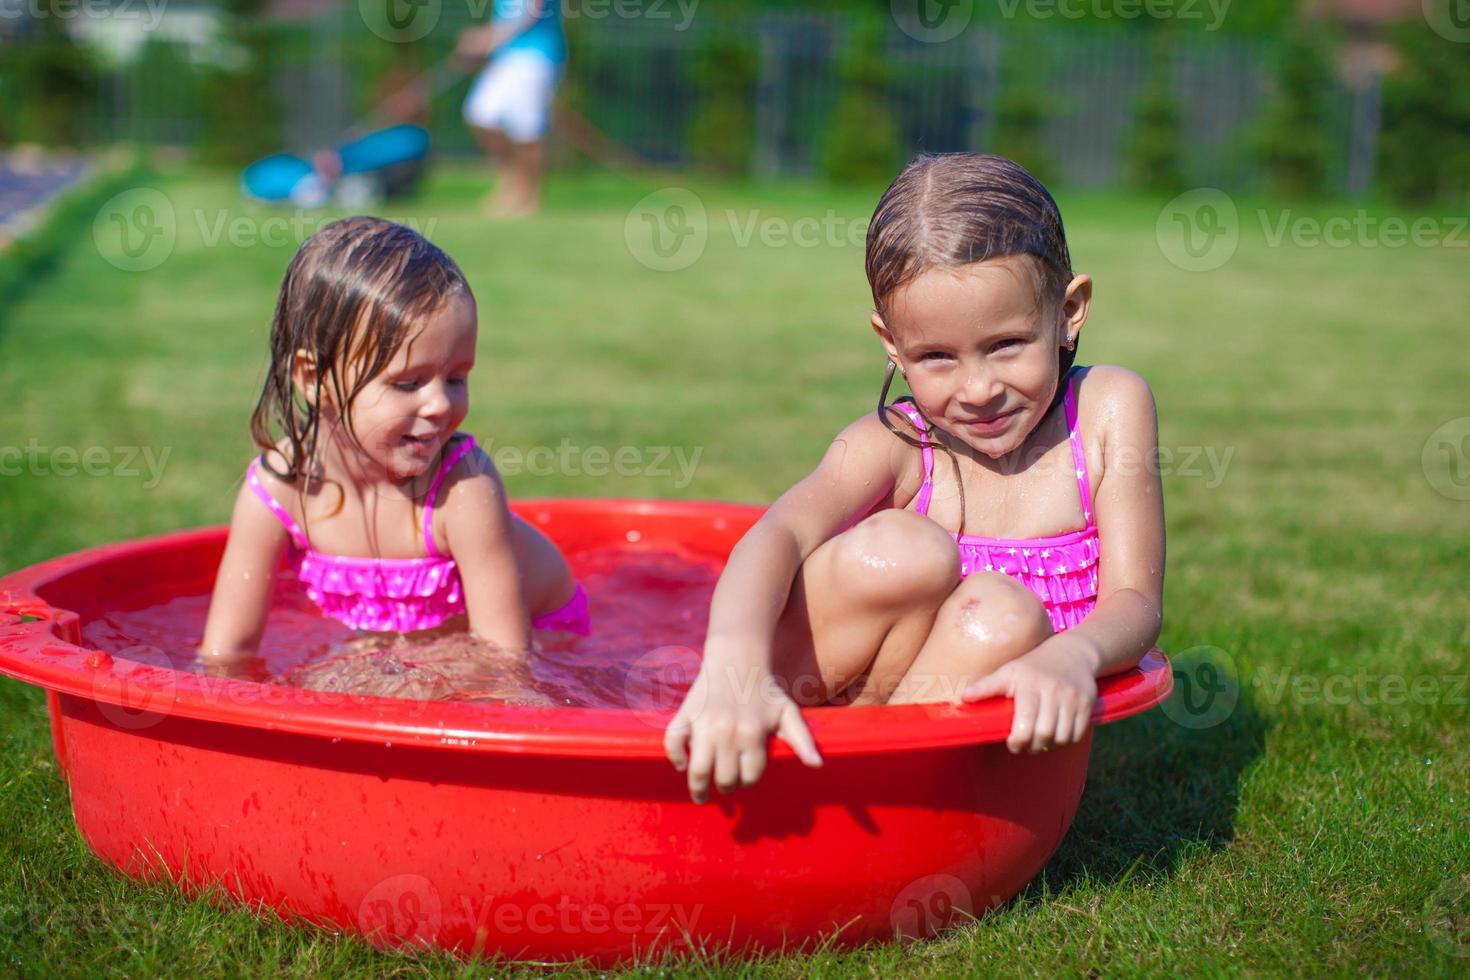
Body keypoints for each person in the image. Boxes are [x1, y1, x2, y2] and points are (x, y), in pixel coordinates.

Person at [663, 153, 1165, 803]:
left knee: (1003, 617)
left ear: (1069, 311)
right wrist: (733, 664)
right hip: (825, 697)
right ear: (891, 345)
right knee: (903, 551)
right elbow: (777, 535)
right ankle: (753, 737)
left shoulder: (1106, 410)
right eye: (936, 357)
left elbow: (1136, 602)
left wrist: (1074, 655)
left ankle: (864, 797)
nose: (980, 389)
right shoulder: (899, 445)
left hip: (948, 747)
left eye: (1008, 344)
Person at [198, 216, 588, 678]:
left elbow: (506, 669)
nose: (441, 403)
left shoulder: (462, 489)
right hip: (413, 641)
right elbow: (225, 654)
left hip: (545, 639)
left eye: (457, 377)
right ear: (313, 379)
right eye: (408, 382)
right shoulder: (279, 488)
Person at [456, 0, 567, 217]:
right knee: (480, 114)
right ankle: (511, 181)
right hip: (505, 57)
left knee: (526, 129)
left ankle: (529, 194)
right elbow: (503, 17)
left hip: (536, 55)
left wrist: (483, 41)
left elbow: (528, 14)